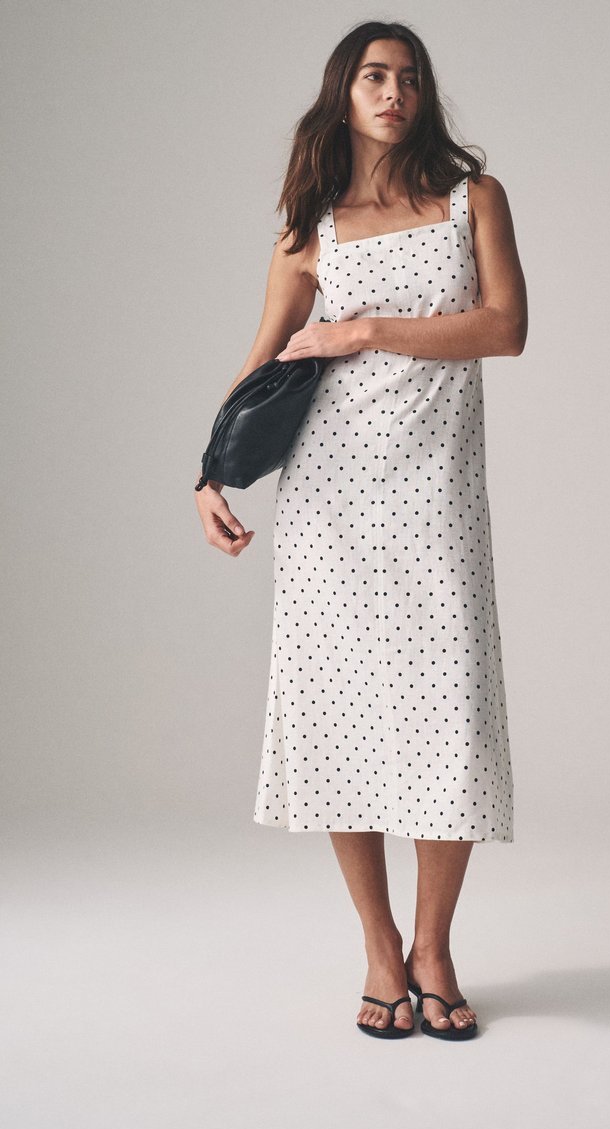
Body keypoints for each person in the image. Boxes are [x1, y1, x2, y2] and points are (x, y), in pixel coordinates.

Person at [194, 20, 527, 1040]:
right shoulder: (311, 227)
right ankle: (382, 951)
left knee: (448, 717)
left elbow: (505, 327)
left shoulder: (472, 198)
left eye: (409, 77)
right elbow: (262, 357)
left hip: (435, 498)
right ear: (343, 93)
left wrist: (366, 328)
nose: (394, 92)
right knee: (339, 716)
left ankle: (434, 947)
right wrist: (210, 470)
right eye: (375, 76)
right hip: (330, 500)